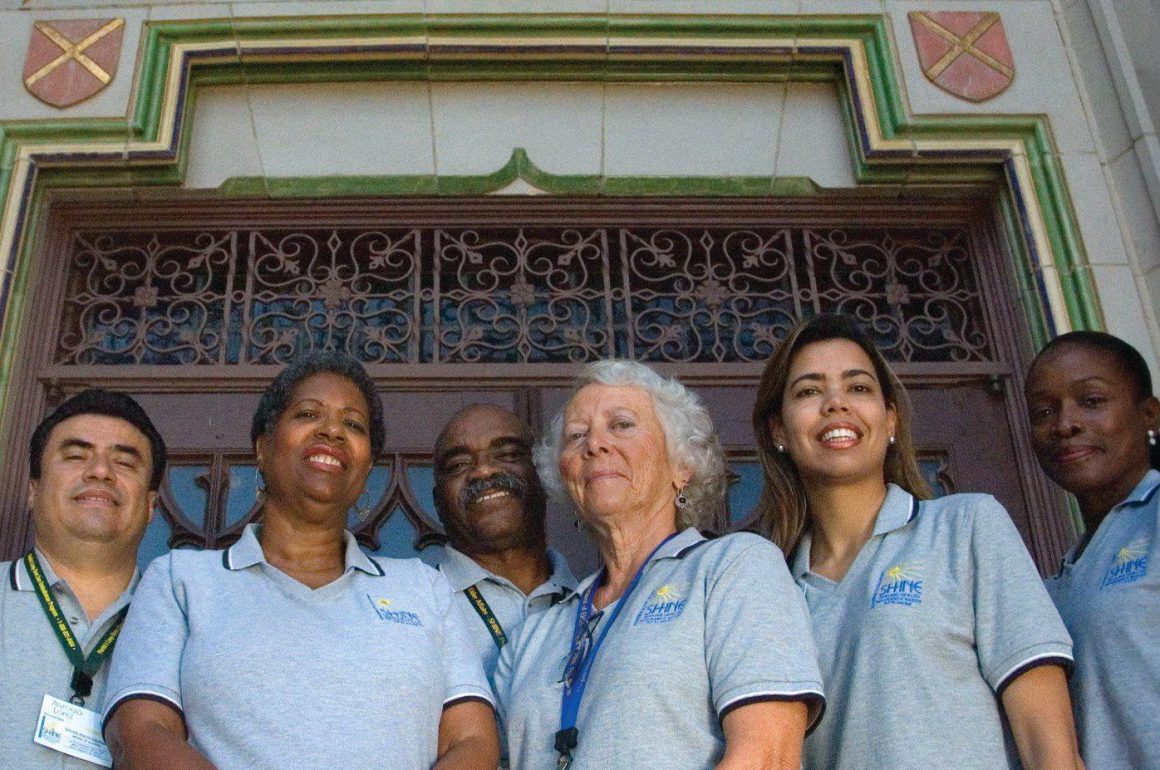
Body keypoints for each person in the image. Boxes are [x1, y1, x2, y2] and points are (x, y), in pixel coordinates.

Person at [102, 351, 498, 770]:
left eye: (353, 424)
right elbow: (141, 731)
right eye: (308, 413)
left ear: (366, 469)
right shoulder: (179, 580)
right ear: (262, 446)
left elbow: (472, 739)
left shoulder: (423, 588)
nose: (332, 430)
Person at [753, 313, 1082, 770]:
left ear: (889, 420)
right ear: (778, 431)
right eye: (809, 391)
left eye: (859, 387)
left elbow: (1051, 747)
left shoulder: (966, 527)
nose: (835, 404)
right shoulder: (769, 590)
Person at [497, 359, 824, 770]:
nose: (594, 444)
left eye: (622, 425)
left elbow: (766, 757)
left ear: (682, 466)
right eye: (576, 435)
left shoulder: (734, 568)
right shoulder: (533, 635)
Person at [1, 389, 167, 768]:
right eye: (76, 456)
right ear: (33, 491)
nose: (100, 471)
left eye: (124, 463)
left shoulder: (182, 626)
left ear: (151, 506)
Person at [1025, 330, 1160, 769]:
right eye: (1045, 411)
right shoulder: (1062, 574)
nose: (1065, 424)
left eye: (1091, 401)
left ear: (1149, 415)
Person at [432, 404, 577, 685]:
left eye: (508, 454)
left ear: (543, 479)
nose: (484, 471)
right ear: (438, 503)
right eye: (459, 465)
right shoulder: (419, 607)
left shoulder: (596, 602)